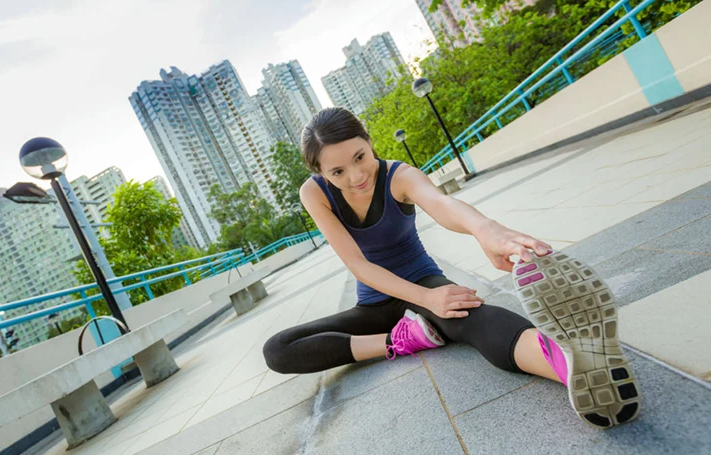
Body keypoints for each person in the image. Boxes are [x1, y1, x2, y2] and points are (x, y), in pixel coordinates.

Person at [262, 107, 641, 429]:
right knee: (278, 350)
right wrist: (424, 301)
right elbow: (358, 265)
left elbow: (442, 206)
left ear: (369, 141)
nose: (356, 177)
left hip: (424, 280)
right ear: (321, 173)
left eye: (360, 157)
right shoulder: (314, 193)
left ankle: (571, 365)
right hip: (377, 303)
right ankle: (403, 340)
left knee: (473, 320)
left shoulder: (400, 176)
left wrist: (486, 230)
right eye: (337, 172)